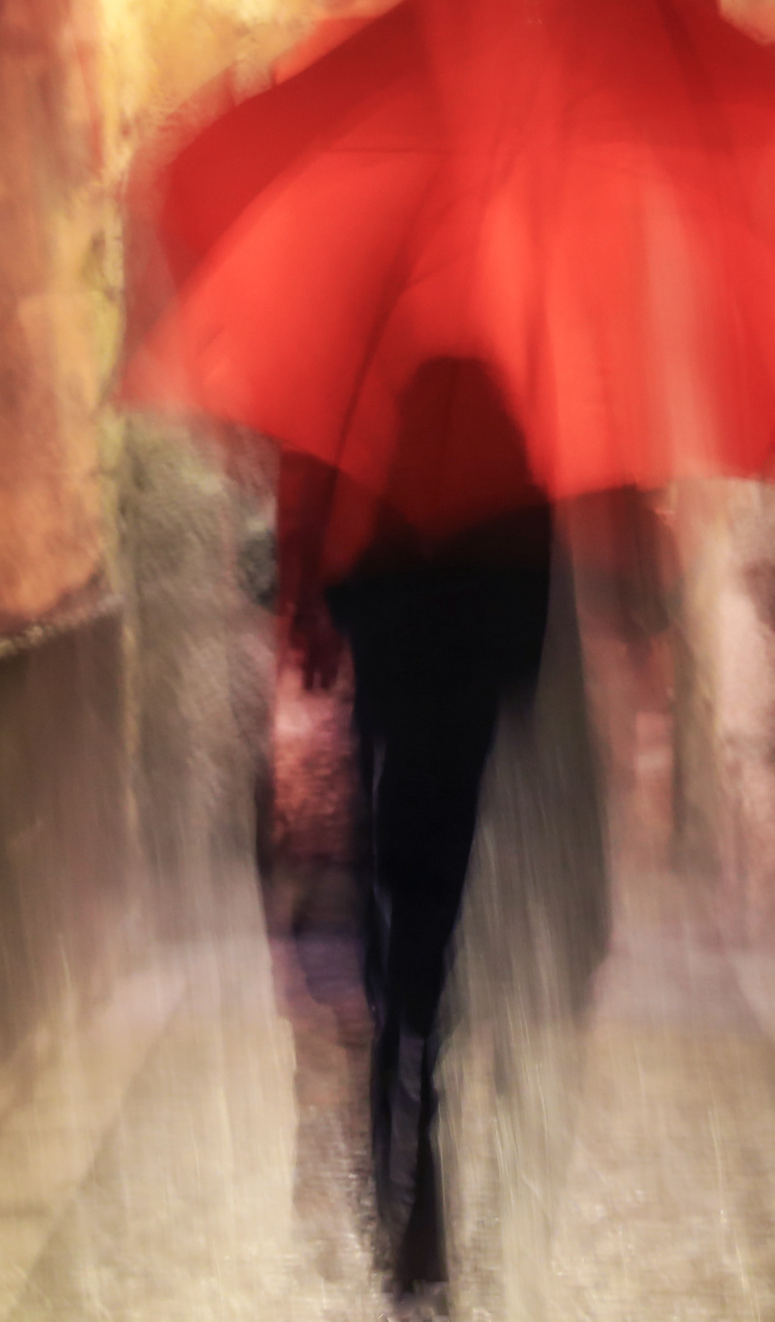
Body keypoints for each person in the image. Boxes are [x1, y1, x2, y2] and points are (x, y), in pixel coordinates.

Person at [277, 357, 558, 1301]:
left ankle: (407, 1175)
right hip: (463, 750)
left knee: (399, 944)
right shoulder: (513, 491)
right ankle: (425, 1169)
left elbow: (352, 597)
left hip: (397, 739)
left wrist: (342, 602)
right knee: (434, 942)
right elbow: (529, 643)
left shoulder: (388, 483)